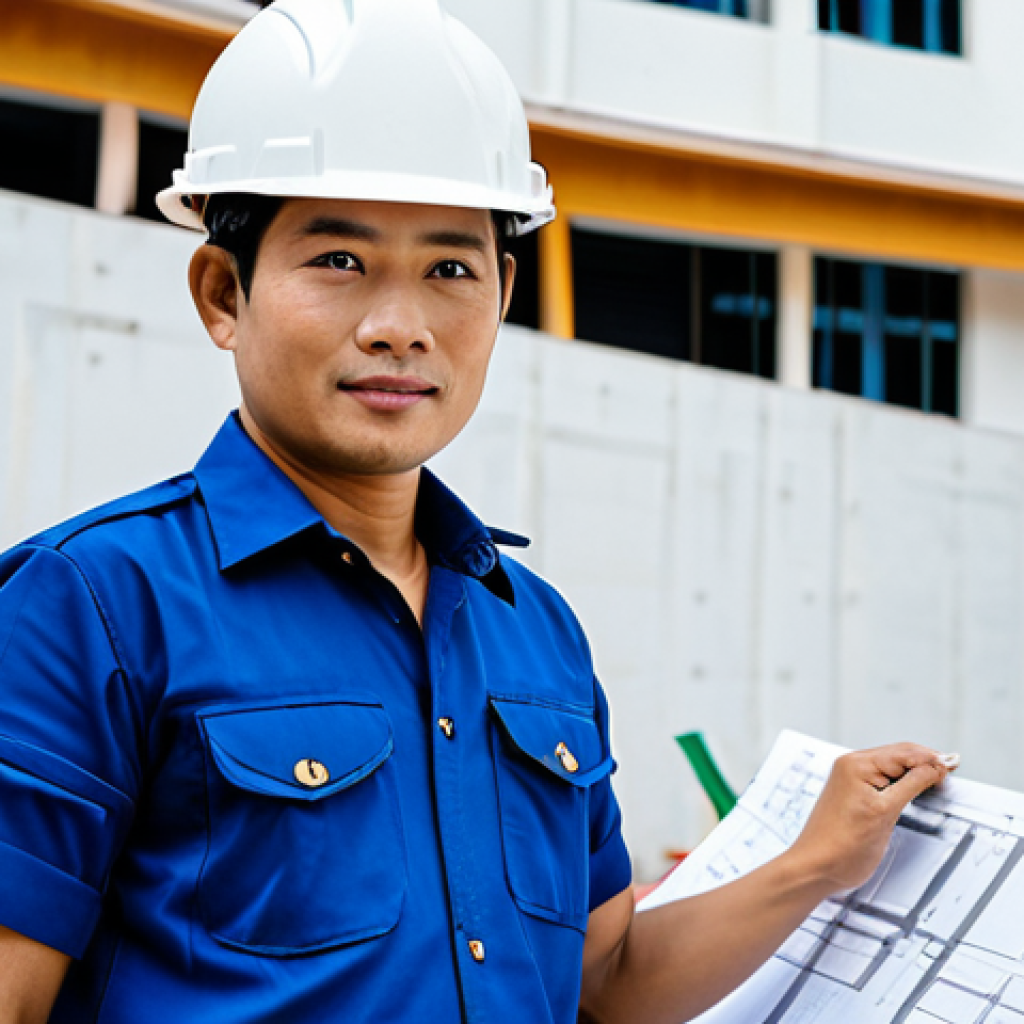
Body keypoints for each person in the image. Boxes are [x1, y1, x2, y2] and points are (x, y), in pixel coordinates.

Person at [0, 1, 954, 1021]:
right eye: (338, 261)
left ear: (501, 292)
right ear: (222, 292)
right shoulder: (88, 605)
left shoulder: (531, 630)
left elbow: (605, 981)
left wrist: (814, 861)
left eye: (450, 268)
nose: (399, 326)